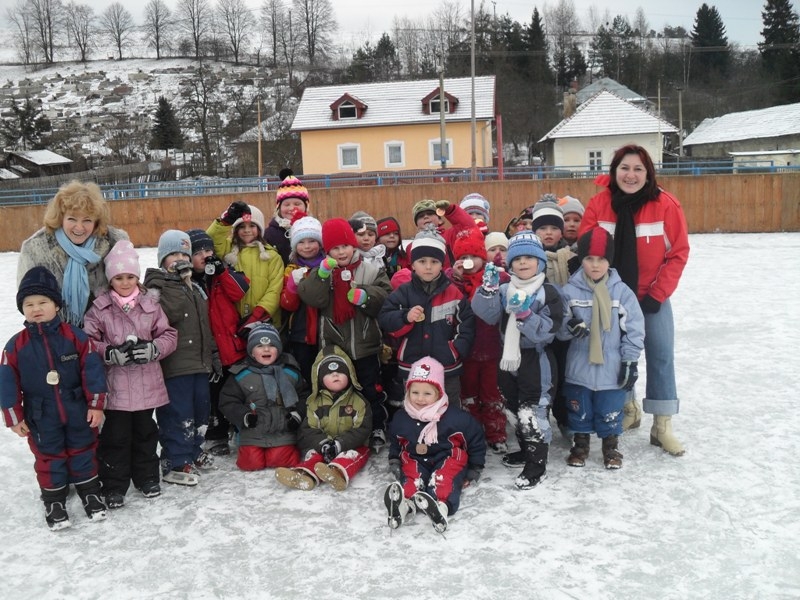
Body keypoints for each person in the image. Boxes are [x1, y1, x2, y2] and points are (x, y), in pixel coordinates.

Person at [579, 144, 690, 456]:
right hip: (611, 297)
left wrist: (657, 294)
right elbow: (587, 251)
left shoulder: (665, 205)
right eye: (624, 168)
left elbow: (678, 253)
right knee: (616, 356)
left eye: (638, 169)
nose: (631, 175)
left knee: (660, 355)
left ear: (648, 173)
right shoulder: (599, 204)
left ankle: (662, 425)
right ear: (614, 171)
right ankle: (628, 409)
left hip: (651, 296)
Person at [1, 267, 108, 529]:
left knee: (84, 448)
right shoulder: (16, 345)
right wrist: (14, 417)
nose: (36, 308)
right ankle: (54, 501)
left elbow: (92, 371)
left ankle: (90, 492)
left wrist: (96, 405)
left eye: (43, 302)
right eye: (29, 304)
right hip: (40, 414)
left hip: (77, 409)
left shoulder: (75, 337)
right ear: (22, 308)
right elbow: (7, 382)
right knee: (49, 456)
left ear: (56, 305)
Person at [83, 241, 178, 508]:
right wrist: (108, 353)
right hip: (116, 389)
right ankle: (114, 485)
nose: (125, 283)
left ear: (137, 277)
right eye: (118, 278)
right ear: (110, 279)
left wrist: (153, 349)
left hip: (147, 386)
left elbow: (169, 335)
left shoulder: (150, 305)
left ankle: (147, 477)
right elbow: (87, 341)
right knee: (116, 438)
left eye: (130, 277)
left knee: (146, 435)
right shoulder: (100, 308)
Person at [471, 232, 565, 490]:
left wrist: (525, 315)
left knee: (532, 412)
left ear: (540, 262)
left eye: (529, 258)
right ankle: (525, 450)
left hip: (536, 359)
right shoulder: (504, 289)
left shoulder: (548, 292)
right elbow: (487, 315)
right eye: (517, 258)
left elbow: (549, 329)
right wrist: (487, 290)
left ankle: (537, 465)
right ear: (510, 263)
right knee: (512, 407)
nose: (523, 262)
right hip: (508, 358)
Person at [297, 218, 392, 453]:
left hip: (365, 344)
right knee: (337, 389)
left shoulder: (370, 268)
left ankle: (376, 426)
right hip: (334, 345)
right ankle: (340, 429)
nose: (341, 252)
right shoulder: (322, 271)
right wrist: (322, 274)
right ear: (327, 251)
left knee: (369, 389)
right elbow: (312, 297)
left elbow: (386, 295)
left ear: (353, 245)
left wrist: (366, 296)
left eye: (346, 246)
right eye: (335, 248)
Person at [558, 228, 645, 469]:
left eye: (601, 259)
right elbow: (560, 327)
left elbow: (634, 328)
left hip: (611, 366)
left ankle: (611, 447)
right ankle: (580, 445)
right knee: (580, 409)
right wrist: (569, 327)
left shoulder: (621, 292)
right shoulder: (569, 291)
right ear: (581, 259)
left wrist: (630, 360)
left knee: (610, 409)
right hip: (579, 365)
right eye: (589, 258)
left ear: (610, 260)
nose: (595, 265)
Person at [144, 230, 220, 486]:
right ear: (162, 259)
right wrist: (172, 281)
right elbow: (170, 314)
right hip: (175, 365)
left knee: (200, 412)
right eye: (173, 254)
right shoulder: (159, 286)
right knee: (178, 414)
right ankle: (175, 459)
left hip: (199, 363)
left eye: (184, 255)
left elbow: (204, 325)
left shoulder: (193, 287)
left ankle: (194, 449)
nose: (180, 259)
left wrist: (212, 356)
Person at [384, 357, 486, 533]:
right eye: (415, 392)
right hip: (415, 456)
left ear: (439, 393)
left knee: (443, 478)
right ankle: (403, 505)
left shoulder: (456, 418)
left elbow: (475, 439)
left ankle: (440, 507)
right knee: (412, 477)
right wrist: (394, 459)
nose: (420, 398)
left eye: (427, 393)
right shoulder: (401, 417)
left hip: (448, 456)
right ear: (408, 391)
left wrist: (475, 466)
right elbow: (396, 441)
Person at [378, 229, 475, 406]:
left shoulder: (453, 293)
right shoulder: (403, 292)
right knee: (416, 406)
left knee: (449, 405)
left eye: (434, 261)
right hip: (412, 366)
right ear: (413, 264)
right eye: (422, 261)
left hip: (446, 366)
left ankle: (449, 425)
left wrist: (455, 350)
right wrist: (405, 317)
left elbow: (466, 325)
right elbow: (385, 318)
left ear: (442, 264)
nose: (428, 267)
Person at [17, 180, 130, 327]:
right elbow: (28, 301)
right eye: (72, 219)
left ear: (96, 222)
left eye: (87, 220)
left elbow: (130, 289)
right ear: (61, 218)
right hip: (56, 334)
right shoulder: (36, 249)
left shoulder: (114, 243)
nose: (79, 227)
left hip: (106, 331)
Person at [186, 229, 251, 457]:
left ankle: (239, 427)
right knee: (212, 394)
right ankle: (216, 434)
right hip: (206, 348)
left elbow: (240, 291)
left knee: (233, 391)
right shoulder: (188, 281)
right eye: (198, 253)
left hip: (230, 346)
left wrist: (222, 272)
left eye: (208, 250)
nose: (204, 256)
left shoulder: (224, 272)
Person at [274, 346, 371, 491]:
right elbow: (309, 428)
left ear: (350, 375)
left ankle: (337, 473)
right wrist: (323, 444)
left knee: (351, 456)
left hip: (351, 444)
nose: (335, 375)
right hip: (324, 444)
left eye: (340, 372)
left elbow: (362, 429)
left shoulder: (359, 402)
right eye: (329, 373)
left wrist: (340, 444)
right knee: (314, 455)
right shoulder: (314, 403)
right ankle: (303, 475)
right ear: (320, 379)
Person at [447, 228, 509, 452]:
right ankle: (472, 433)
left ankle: (496, 433)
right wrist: (456, 279)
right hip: (467, 351)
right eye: (463, 257)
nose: (469, 261)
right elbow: (453, 303)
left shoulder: (495, 277)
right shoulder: (454, 282)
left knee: (492, 394)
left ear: (483, 257)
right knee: (469, 394)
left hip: (492, 349)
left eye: (473, 256)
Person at [218, 324, 303, 471]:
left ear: (279, 349)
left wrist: (298, 414)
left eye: (271, 345)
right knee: (250, 463)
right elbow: (228, 401)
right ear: (251, 352)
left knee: (281, 460)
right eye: (260, 346)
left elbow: (305, 396)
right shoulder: (241, 375)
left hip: (283, 432)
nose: (266, 349)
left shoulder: (290, 373)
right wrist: (244, 416)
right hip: (253, 432)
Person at [207, 201, 284, 331]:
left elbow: (274, 290)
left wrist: (259, 314)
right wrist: (226, 220)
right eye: (242, 226)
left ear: (259, 229)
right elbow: (211, 239)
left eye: (252, 226)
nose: (247, 230)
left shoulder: (271, 256)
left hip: (264, 321)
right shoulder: (227, 249)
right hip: (232, 321)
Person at [280, 215, 325, 384]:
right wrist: (292, 285)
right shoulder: (291, 270)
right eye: (301, 242)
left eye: (312, 241)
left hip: (326, 330)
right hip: (301, 332)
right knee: (305, 373)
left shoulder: (329, 266)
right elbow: (287, 305)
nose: (307, 246)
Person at [406, 199, 478, 268]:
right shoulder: (410, 247)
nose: (426, 217)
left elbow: (468, 228)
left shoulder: (451, 235)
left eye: (430, 214)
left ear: (440, 220)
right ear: (417, 225)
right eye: (421, 216)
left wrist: (450, 210)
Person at [265, 169, 311, 264]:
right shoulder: (270, 234)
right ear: (279, 208)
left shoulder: (313, 228)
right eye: (286, 204)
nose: (292, 208)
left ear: (306, 206)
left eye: (297, 204)